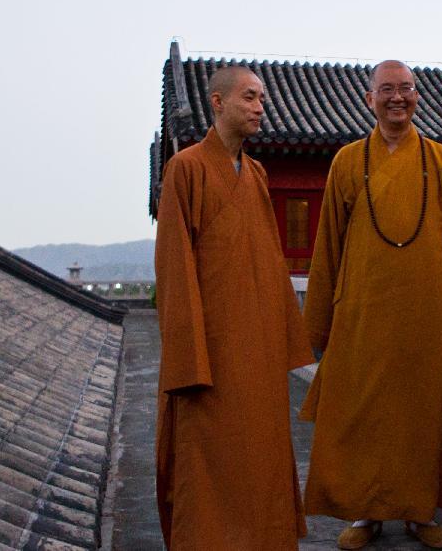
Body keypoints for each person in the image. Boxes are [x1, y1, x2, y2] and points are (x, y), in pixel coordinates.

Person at [299, 60, 442, 550]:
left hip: (422, 311)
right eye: (386, 89)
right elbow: (327, 246)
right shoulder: (347, 160)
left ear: (416, 96)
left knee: (420, 411)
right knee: (361, 412)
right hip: (361, 309)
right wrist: (316, 325)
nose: (397, 97)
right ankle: (366, 514)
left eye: (406, 88)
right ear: (369, 99)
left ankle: (419, 511)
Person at [154, 65, 314, 549]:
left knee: (260, 458)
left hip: (257, 350)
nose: (260, 106)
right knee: (208, 459)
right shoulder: (185, 169)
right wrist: (188, 358)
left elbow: (269, 260)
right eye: (249, 97)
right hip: (211, 354)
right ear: (218, 103)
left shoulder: (258, 173)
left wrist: (284, 339)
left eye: (262, 98)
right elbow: (174, 268)